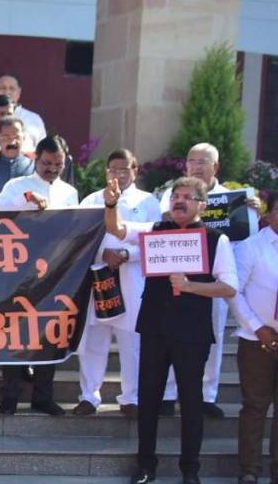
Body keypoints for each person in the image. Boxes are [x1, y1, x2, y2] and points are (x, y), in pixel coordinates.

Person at [103, 176, 237, 484]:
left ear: (202, 205)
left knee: (191, 402)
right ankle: (145, 466)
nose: (179, 200)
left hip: (192, 333)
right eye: (176, 195)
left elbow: (229, 287)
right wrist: (111, 204)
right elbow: (117, 229)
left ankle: (190, 471)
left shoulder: (217, 239)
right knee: (148, 400)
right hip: (155, 328)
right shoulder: (156, 231)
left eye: (188, 197)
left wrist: (191, 286)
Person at [157, 142, 249, 418]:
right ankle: (169, 394)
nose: (196, 166)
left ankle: (206, 396)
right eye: (191, 160)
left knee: (214, 337)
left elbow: (244, 235)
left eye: (202, 161)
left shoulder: (232, 199)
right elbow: (162, 221)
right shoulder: (173, 194)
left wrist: (251, 208)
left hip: (214, 279)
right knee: (171, 337)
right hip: (177, 277)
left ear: (215, 167)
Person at [0, 135, 78, 416]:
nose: (52, 169)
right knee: (16, 335)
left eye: (58, 164)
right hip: (19, 273)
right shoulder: (16, 186)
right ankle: (9, 397)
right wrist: (27, 201)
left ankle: (43, 396)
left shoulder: (69, 192)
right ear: (35, 160)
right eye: (46, 163)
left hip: (55, 273)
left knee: (50, 334)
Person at [74, 150, 160, 419]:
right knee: (93, 342)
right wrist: (103, 255)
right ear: (106, 172)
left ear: (135, 171)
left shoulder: (148, 201)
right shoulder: (91, 200)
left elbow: (157, 240)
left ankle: (131, 398)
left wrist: (126, 255)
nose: (118, 175)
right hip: (98, 277)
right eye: (113, 170)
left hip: (133, 277)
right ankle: (89, 396)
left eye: (124, 169)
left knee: (132, 342)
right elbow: (79, 239)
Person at [231, 191, 278, 484]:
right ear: (269, 215)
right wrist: (257, 327)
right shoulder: (250, 247)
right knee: (255, 407)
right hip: (256, 340)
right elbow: (233, 292)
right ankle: (249, 470)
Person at [0, 74, 47, 144]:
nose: (7, 92)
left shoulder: (34, 119)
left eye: (12, 88)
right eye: (2, 88)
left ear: (19, 92)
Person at [0, 117, 34, 192]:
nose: (12, 142)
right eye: (6, 138)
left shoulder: (33, 167)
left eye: (16, 137)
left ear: (24, 138)